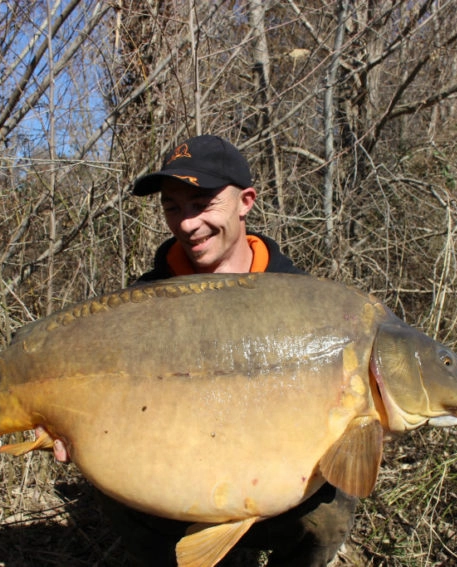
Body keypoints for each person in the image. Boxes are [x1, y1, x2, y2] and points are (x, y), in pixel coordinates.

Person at [42, 135, 358, 566]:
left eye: (202, 203)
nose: (187, 224)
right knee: (118, 496)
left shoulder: (303, 300)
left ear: (246, 201)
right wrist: (63, 422)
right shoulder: (143, 301)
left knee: (332, 509)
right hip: (176, 477)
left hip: (276, 475)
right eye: (173, 207)